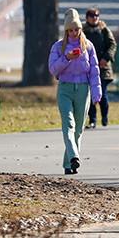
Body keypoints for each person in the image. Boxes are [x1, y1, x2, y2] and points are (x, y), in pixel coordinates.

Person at [48, 9, 102, 175]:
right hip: (65, 88)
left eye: (76, 29)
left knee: (78, 128)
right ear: (66, 31)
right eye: (70, 30)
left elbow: (94, 70)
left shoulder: (88, 46)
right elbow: (52, 69)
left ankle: (69, 163)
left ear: (80, 29)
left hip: (83, 90)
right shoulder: (58, 47)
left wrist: (96, 91)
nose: (73, 33)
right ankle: (74, 156)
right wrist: (67, 58)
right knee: (68, 124)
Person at [83, 7, 116, 129]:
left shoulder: (104, 30)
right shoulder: (82, 31)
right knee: (90, 95)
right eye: (92, 16)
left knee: (102, 94)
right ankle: (92, 120)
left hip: (103, 68)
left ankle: (105, 116)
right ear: (87, 18)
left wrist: (106, 58)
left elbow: (112, 45)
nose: (94, 18)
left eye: (96, 15)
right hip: (88, 67)